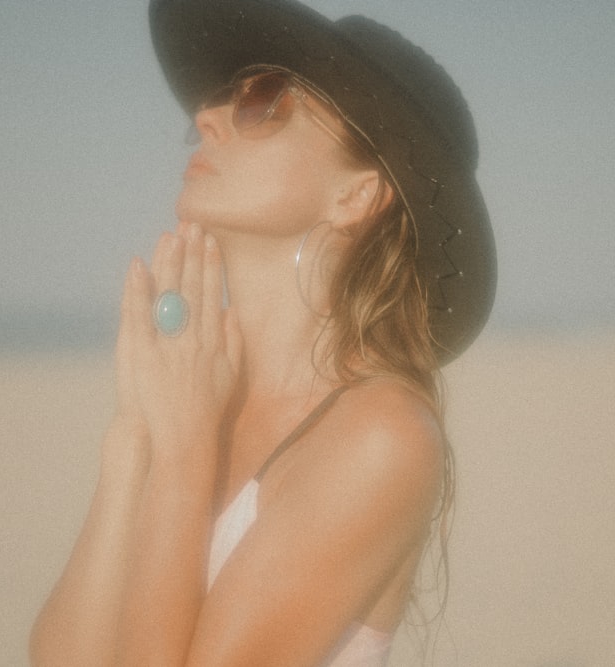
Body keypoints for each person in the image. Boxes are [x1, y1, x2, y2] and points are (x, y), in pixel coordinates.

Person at [29, 0, 495, 664]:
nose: (205, 117)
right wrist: (136, 434)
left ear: (357, 195)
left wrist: (185, 454)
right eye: (222, 99)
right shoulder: (195, 393)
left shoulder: (382, 436)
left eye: (263, 99)